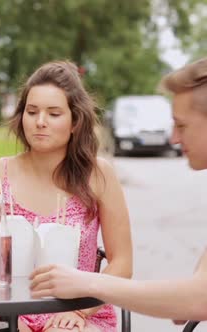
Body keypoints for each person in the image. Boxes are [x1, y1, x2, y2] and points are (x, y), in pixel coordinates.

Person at [0, 61, 133, 332]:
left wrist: (83, 311)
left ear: (75, 122)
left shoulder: (98, 174)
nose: (40, 122)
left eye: (54, 113)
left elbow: (122, 263)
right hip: (7, 313)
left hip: (78, 312)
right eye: (32, 111)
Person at [30, 57, 207, 323]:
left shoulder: (100, 175)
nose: (173, 138)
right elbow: (189, 304)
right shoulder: (2, 170)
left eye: (181, 125)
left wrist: (87, 283)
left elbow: (198, 300)